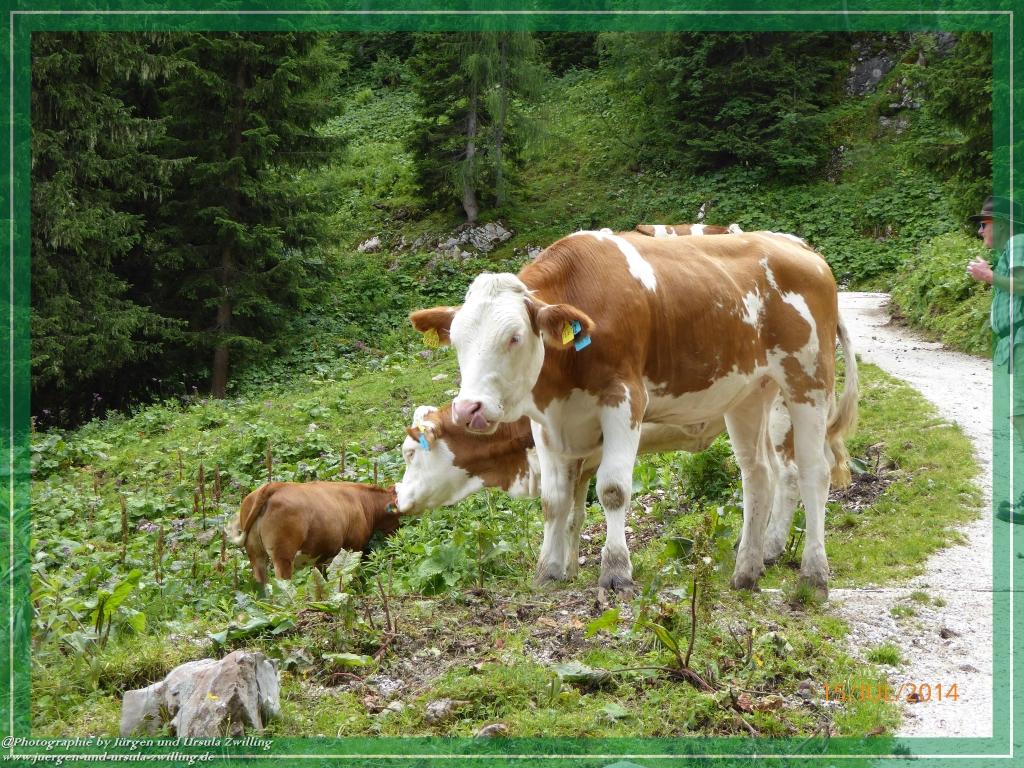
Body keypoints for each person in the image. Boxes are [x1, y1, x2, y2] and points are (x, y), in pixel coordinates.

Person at [966, 195, 1024, 520]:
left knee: (1021, 415)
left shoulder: (1018, 243)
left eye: (984, 224)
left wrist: (989, 277)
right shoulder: (1014, 247)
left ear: (1001, 224)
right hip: (1016, 341)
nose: (980, 231)